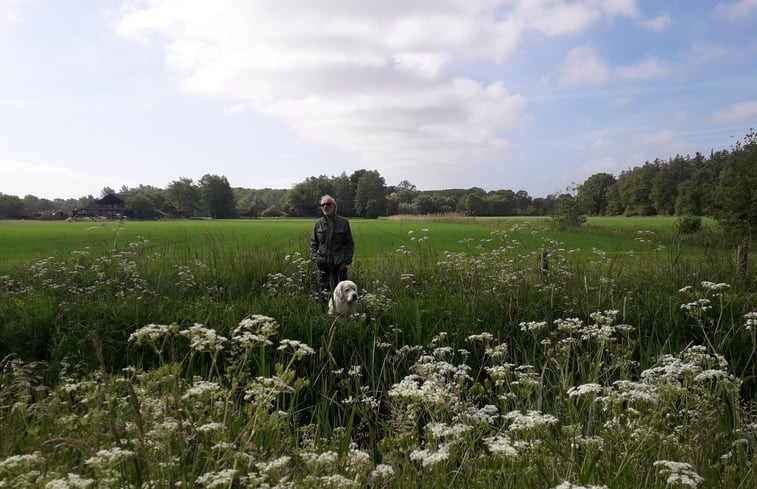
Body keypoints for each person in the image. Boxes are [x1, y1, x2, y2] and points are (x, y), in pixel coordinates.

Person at [310, 195, 354, 301]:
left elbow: (350, 244)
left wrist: (346, 262)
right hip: (322, 265)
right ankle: (325, 314)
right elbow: (313, 243)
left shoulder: (343, 223)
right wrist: (315, 258)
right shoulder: (318, 223)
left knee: (342, 294)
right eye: (323, 205)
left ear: (334, 206)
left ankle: (343, 315)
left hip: (339, 266)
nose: (325, 206)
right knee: (323, 292)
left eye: (328, 204)